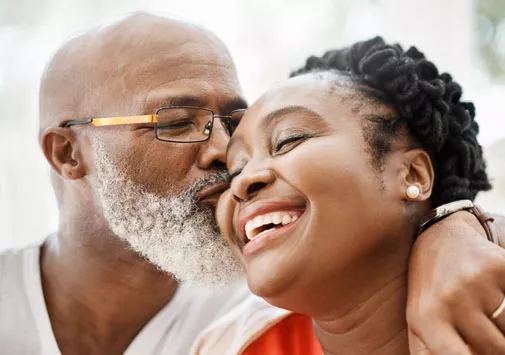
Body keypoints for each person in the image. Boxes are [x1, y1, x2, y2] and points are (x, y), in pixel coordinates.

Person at [0, 12, 504, 355]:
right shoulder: (243, 334)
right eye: (176, 122)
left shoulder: (278, 296)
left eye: (235, 124)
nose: (226, 157)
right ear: (67, 153)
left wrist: (456, 222)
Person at [217, 36, 505, 355]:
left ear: (412, 175)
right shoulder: (229, 346)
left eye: (288, 140)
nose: (244, 182)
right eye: (236, 169)